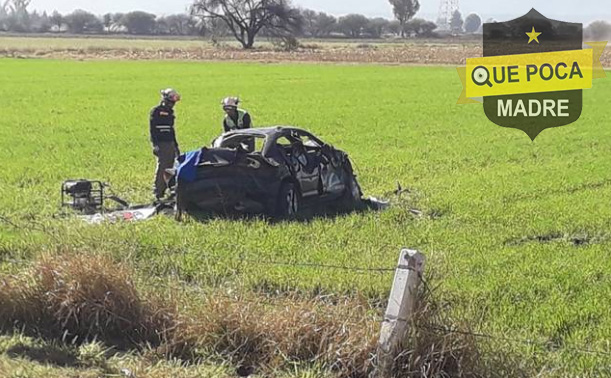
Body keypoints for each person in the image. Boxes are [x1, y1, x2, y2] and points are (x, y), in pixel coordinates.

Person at [150, 88, 181, 200]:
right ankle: (158, 191)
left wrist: (176, 146)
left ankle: (170, 188)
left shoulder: (170, 113)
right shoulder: (156, 111)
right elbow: (153, 130)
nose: (172, 105)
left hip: (170, 143)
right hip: (161, 143)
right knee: (162, 166)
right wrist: (155, 145)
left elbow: (171, 130)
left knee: (171, 166)